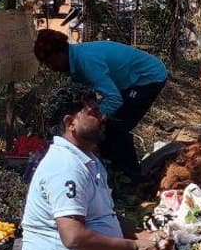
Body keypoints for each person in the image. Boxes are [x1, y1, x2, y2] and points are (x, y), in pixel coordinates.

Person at [19, 88, 173, 250]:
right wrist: (134, 248)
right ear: (70, 123)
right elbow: (74, 238)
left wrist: (145, 235)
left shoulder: (88, 160)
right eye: (94, 113)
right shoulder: (66, 166)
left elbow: (107, 216)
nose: (103, 117)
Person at [32, 30, 168, 184]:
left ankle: (132, 180)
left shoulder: (86, 61)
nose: (51, 68)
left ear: (59, 53)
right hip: (127, 81)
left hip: (148, 77)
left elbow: (114, 99)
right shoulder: (74, 62)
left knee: (115, 128)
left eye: (50, 63)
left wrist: (97, 119)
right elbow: (86, 96)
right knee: (105, 128)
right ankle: (112, 174)